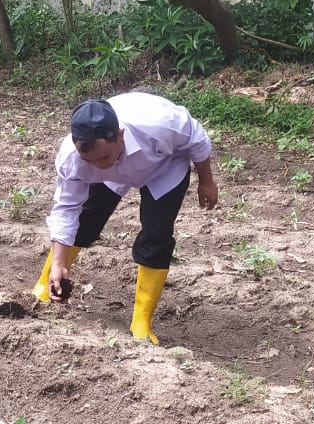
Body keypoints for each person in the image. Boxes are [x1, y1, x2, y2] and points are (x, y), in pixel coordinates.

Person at [32, 93, 218, 344]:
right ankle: (46, 285)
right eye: (90, 160)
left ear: (119, 135)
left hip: (164, 168)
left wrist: (206, 182)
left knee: (157, 235)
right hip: (118, 173)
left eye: (104, 158)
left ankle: (142, 321)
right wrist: (58, 264)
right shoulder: (74, 158)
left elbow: (197, 139)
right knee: (86, 221)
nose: (99, 166)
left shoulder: (160, 122)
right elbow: (66, 210)